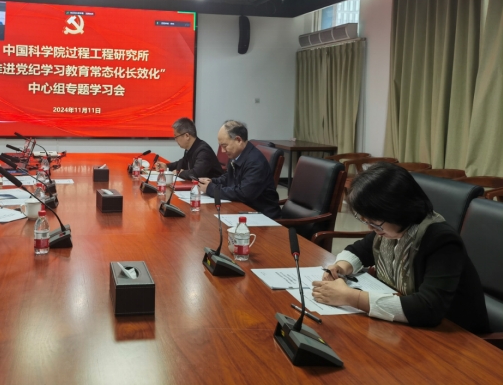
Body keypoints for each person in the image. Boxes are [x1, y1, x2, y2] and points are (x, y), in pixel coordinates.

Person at [312, 163, 489, 333]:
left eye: (375, 222)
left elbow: (429, 307)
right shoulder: (393, 229)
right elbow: (358, 251)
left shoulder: (441, 241)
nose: (371, 228)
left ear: (397, 210)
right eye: (365, 220)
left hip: (459, 334)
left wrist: (351, 297)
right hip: (413, 328)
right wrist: (340, 267)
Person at [198, 120, 281, 219]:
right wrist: (212, 181)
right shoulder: (237, 155)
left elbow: (244, 194)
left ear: (238, 140)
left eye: (224, 146)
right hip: (244, 209)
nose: (223, 151)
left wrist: (211, 189)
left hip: (263, 217)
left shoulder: (255, 162)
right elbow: (228, 177)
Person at [155, 117, 224, 180]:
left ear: (187, 136)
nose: (175, 140)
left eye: (176, 137)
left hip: (214, 188)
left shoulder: (203, 150)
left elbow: (197, 174)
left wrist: (180, 173)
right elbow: (182, 163)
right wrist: (167, 166)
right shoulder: (191, 148)